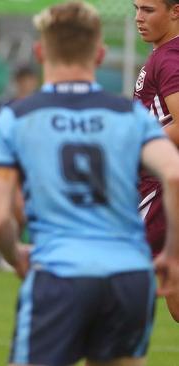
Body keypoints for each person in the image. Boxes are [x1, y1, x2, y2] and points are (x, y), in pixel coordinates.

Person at [0, 2, 179, 365]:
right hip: (128, 277)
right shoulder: (129, 117)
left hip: (60, 273)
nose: (138, 16)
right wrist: (174, 253)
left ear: (40, 52)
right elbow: (175, 173)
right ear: (100, 55)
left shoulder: (16, 118)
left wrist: (16, 255)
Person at [133, 0, 179, 321]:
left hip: (160, 188)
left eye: (148, 10)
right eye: (135, 8)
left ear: (176, 11)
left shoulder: (169, 59)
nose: (139, 18)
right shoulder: (162, 54)